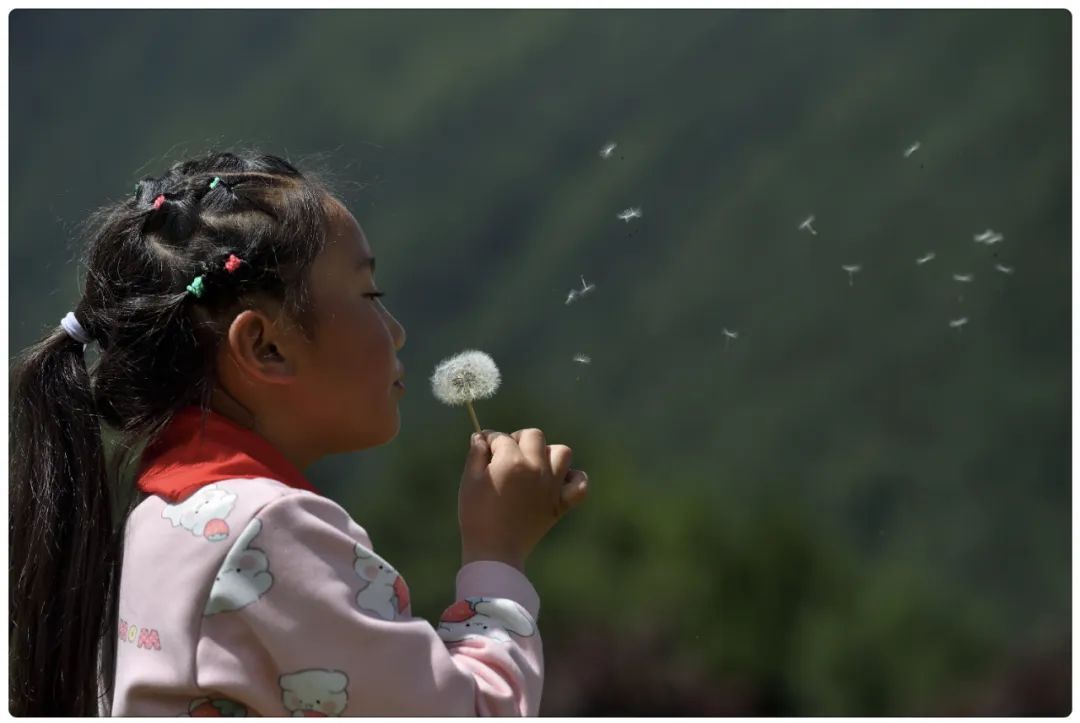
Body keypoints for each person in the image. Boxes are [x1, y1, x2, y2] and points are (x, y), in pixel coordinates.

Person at [9, 150, 590, 716]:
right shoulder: (270, 532)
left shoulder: (163, 516)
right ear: (265, 346)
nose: (398, 332)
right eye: (370, 296)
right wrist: (498, 556)